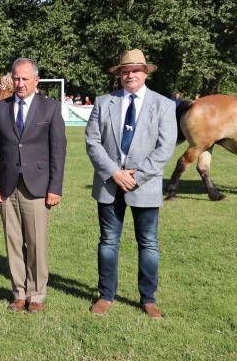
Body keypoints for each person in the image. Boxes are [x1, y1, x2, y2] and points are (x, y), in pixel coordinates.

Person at [85, 49, 177, 318]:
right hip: (109, 183)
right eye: (125, 71)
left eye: (136, 70)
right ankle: (106, 295)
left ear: (145, 72)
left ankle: (148, 298)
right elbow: (92, 141)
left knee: (148, 243)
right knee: (108, 241)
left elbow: (165, 148)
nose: (130, 75)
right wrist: (115, 172)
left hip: (145, 185)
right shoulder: (103, 102)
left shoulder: (164, 105)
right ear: (119, 74)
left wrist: (136, 177)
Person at [0, 58, 66, 313]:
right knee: (13, 242)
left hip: (38, 186)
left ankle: (37, 294)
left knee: (36, 243)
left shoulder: (50, 108)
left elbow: (58, 151)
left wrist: (55, 188)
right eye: (16, 78)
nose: (20, 84)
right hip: (6, 186)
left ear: (36, 80)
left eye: (25, 79)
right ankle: (19, 293)